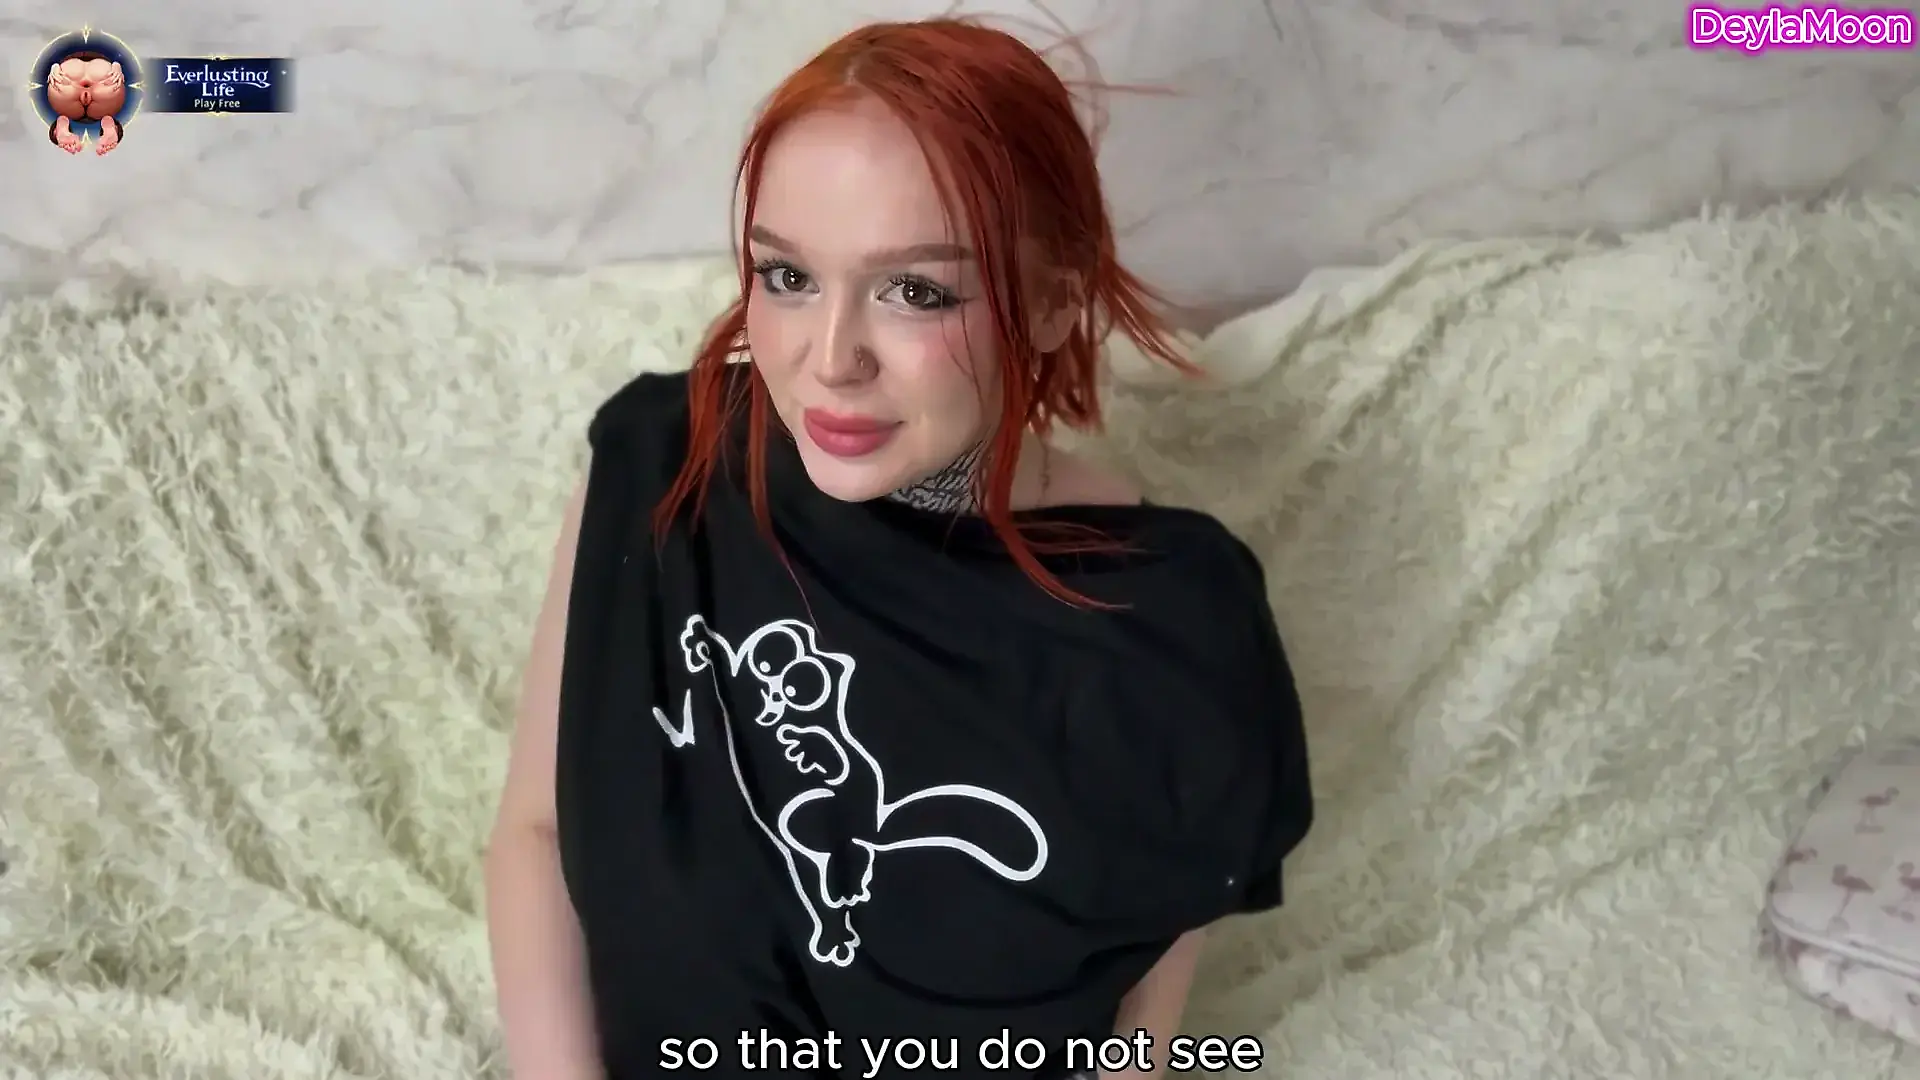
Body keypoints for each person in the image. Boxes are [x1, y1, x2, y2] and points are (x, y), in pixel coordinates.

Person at [484, 17, 1312, 1080]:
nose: (831, 359)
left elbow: (1144, 998)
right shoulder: (664, 465)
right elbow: (539, 835)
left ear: (1053, 304)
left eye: (915, 291)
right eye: (787, 277)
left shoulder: (1174, 622)